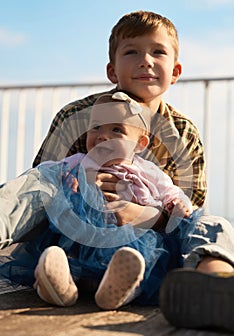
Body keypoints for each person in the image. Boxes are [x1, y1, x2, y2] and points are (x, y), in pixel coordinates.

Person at [0, 10, 234, 332]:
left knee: (210, 221)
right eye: (132, 51)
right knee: (36, 184)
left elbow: (186, 210)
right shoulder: (79, 115)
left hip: (147, 241)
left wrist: (142, 212)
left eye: (158, 52)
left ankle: (215, 279)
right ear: (112, 70)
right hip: (71, 231)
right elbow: (43, 183)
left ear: (176, 71)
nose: (146, 61)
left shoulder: (183, 133)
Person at [0, 92, 195, 311]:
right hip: (81, 235)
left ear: (140, 144)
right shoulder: (79, 161)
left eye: (116, 130)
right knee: (66, 242)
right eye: (96, 127)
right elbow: (48, 170)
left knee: (142, 255)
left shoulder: (148, 171)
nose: (102, 136)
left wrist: (179, 203)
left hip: (127, 233)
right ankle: (59, 284)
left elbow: (170, 191)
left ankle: (123, 289)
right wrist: (68, 180)